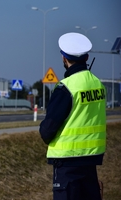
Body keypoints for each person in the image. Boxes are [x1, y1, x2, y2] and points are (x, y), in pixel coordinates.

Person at [39, 32, 106, 200]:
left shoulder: (66, 87)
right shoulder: (98, 84)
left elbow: (47, 131)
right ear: (87, 57)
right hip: (91, 161)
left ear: (64, 58)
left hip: (67, 164)